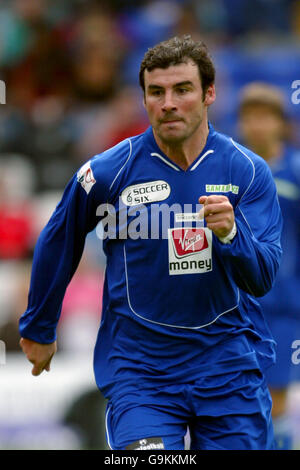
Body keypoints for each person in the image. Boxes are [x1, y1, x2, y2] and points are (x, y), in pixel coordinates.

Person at [19, 35, 283, 451]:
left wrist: (232, 234)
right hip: (141, 373)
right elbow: (58, 238)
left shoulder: (247, 172)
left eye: (182, 90)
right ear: (143, 99)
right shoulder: (106, 172)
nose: (168, 103)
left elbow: (263, 277)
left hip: (228, 366)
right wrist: (39, 325)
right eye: (156, 92)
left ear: (209, 93)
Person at [237, 82, 300, 450]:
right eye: (250, 117)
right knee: (238, 400)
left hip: (283, 307)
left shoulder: (295, 172)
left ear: (281, 123)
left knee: (275, 400)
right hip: (237, 307)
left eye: (265, 117)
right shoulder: (232, 170)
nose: (257, 125)